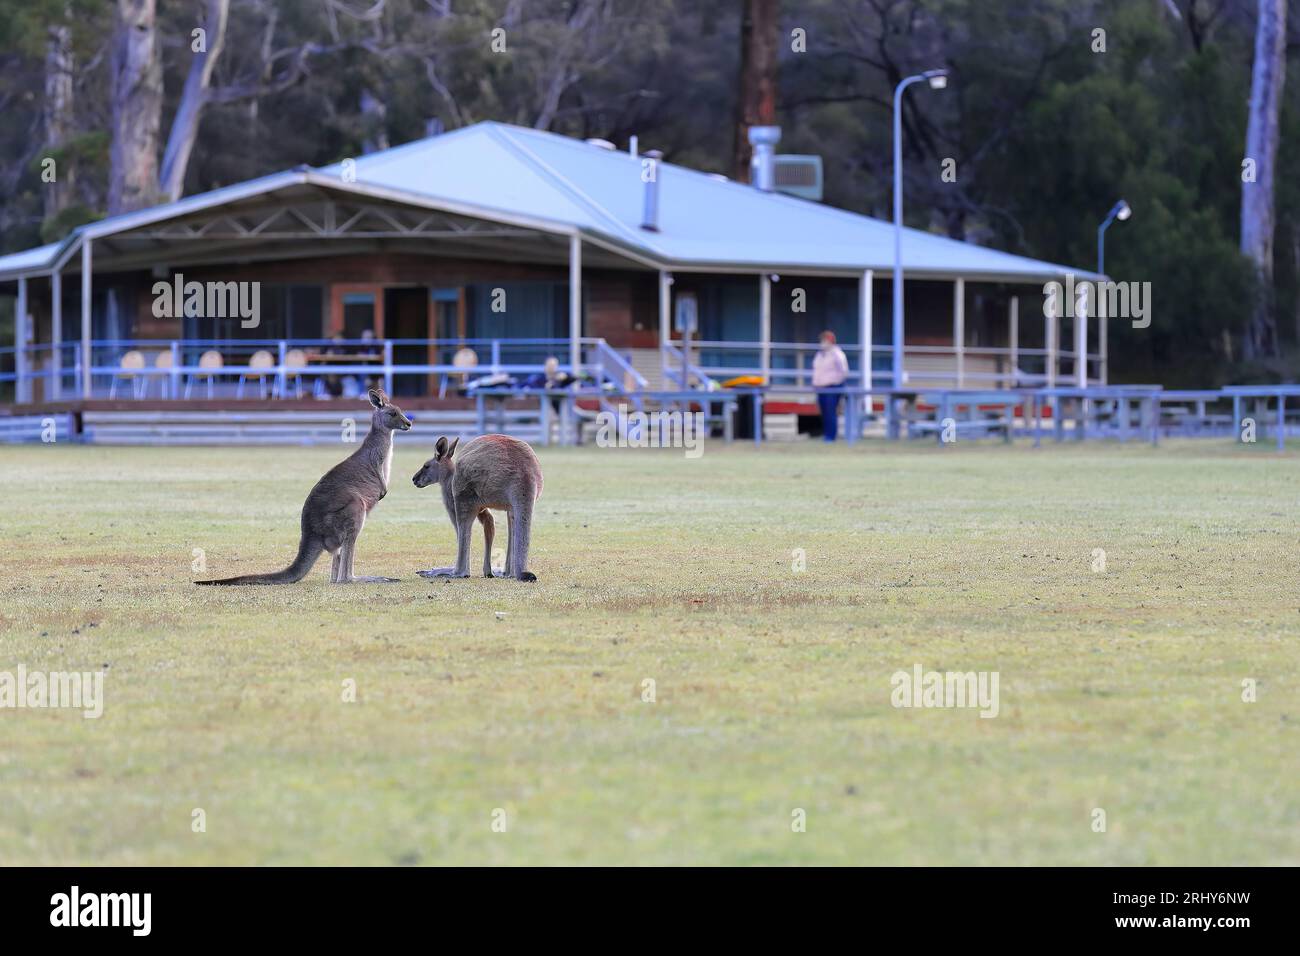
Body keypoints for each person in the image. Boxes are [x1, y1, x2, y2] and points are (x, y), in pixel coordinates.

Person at [812, 330, 849, 442]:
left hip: (832, 387)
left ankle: (831, 436)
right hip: (820, 387)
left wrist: (835, 383)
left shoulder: (837, 354)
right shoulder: (820, 354)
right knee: (824, 412)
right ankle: (826, 435)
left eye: (824, 340)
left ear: (830, 341)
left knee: (831, 412)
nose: (822, 343)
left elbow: (844, 371)